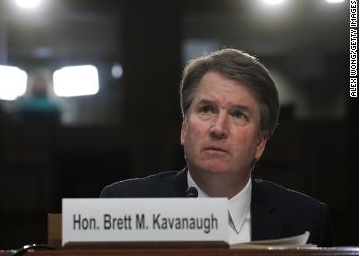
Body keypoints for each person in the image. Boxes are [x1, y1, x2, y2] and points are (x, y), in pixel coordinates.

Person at [100, 48, 333, 246]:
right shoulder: (124, 204)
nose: (218, 128)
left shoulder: (307, 219)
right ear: (184, 129)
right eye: (206, 109)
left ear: (260, 143)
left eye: (238, 114)